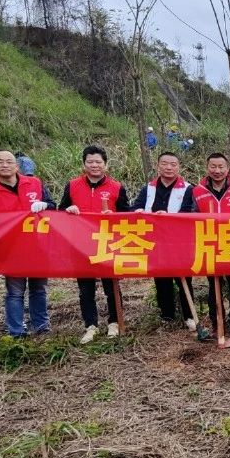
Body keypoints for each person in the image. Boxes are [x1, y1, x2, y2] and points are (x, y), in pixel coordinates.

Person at [60, 145, 132, 343]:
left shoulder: (116, 187)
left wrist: (114, 216)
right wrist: (69, 208)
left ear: (105, 164)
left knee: (112, 286)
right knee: (85, 289)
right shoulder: (73, 185)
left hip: (108, 242)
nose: (94, 165)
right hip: (81, 244)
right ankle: (90, 325)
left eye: (98, 162)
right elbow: (60, 210)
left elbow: (128, 214)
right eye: (90, 162)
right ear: (84, 164)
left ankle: (114, 322)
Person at [0, 151, 54, 338]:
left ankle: (41, 325)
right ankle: (16, 331)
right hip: (10, 250)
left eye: (9, 162)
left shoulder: (35, 184)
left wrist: (45, 205)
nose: (5, 165)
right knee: (15, 292)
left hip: (38, 246)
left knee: (39, 289)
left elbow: (53, 206)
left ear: (17, 166)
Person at [130, 151, 196, 329]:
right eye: (165, 164)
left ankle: (189, 315)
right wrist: (136, 211)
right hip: (155, 241)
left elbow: (191, 213)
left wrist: (169, 217)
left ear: (179, 167)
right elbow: (136, 206)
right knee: (161, 278)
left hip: (178, 242)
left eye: (173, 164)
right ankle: (167, 315)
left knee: (183, 278)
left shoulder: (188, 189)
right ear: (158, 166)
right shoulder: (148, 188)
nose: (169, 167)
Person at [191, 152, 230, 336]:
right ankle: (217, 323)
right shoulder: (197, 191)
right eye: (213, 167)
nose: (217, 170)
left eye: (221, 167)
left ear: (228, 168)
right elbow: (188, 216)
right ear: (207, 168)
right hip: (209, 243)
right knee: (213, 285)